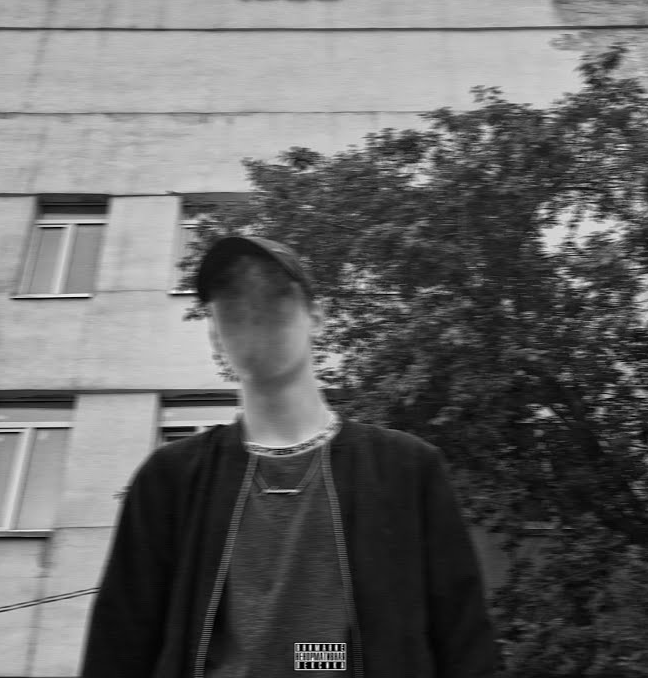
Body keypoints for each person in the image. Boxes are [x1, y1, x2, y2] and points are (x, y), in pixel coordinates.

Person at [81, 235, 499, 677]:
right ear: (215, 336)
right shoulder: (170, 480)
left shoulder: (407, 471)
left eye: (274, 294)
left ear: (317, 317)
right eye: (233, 301)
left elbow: (465, 647)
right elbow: (118, 650)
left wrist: (315, 659)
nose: (254, 313)